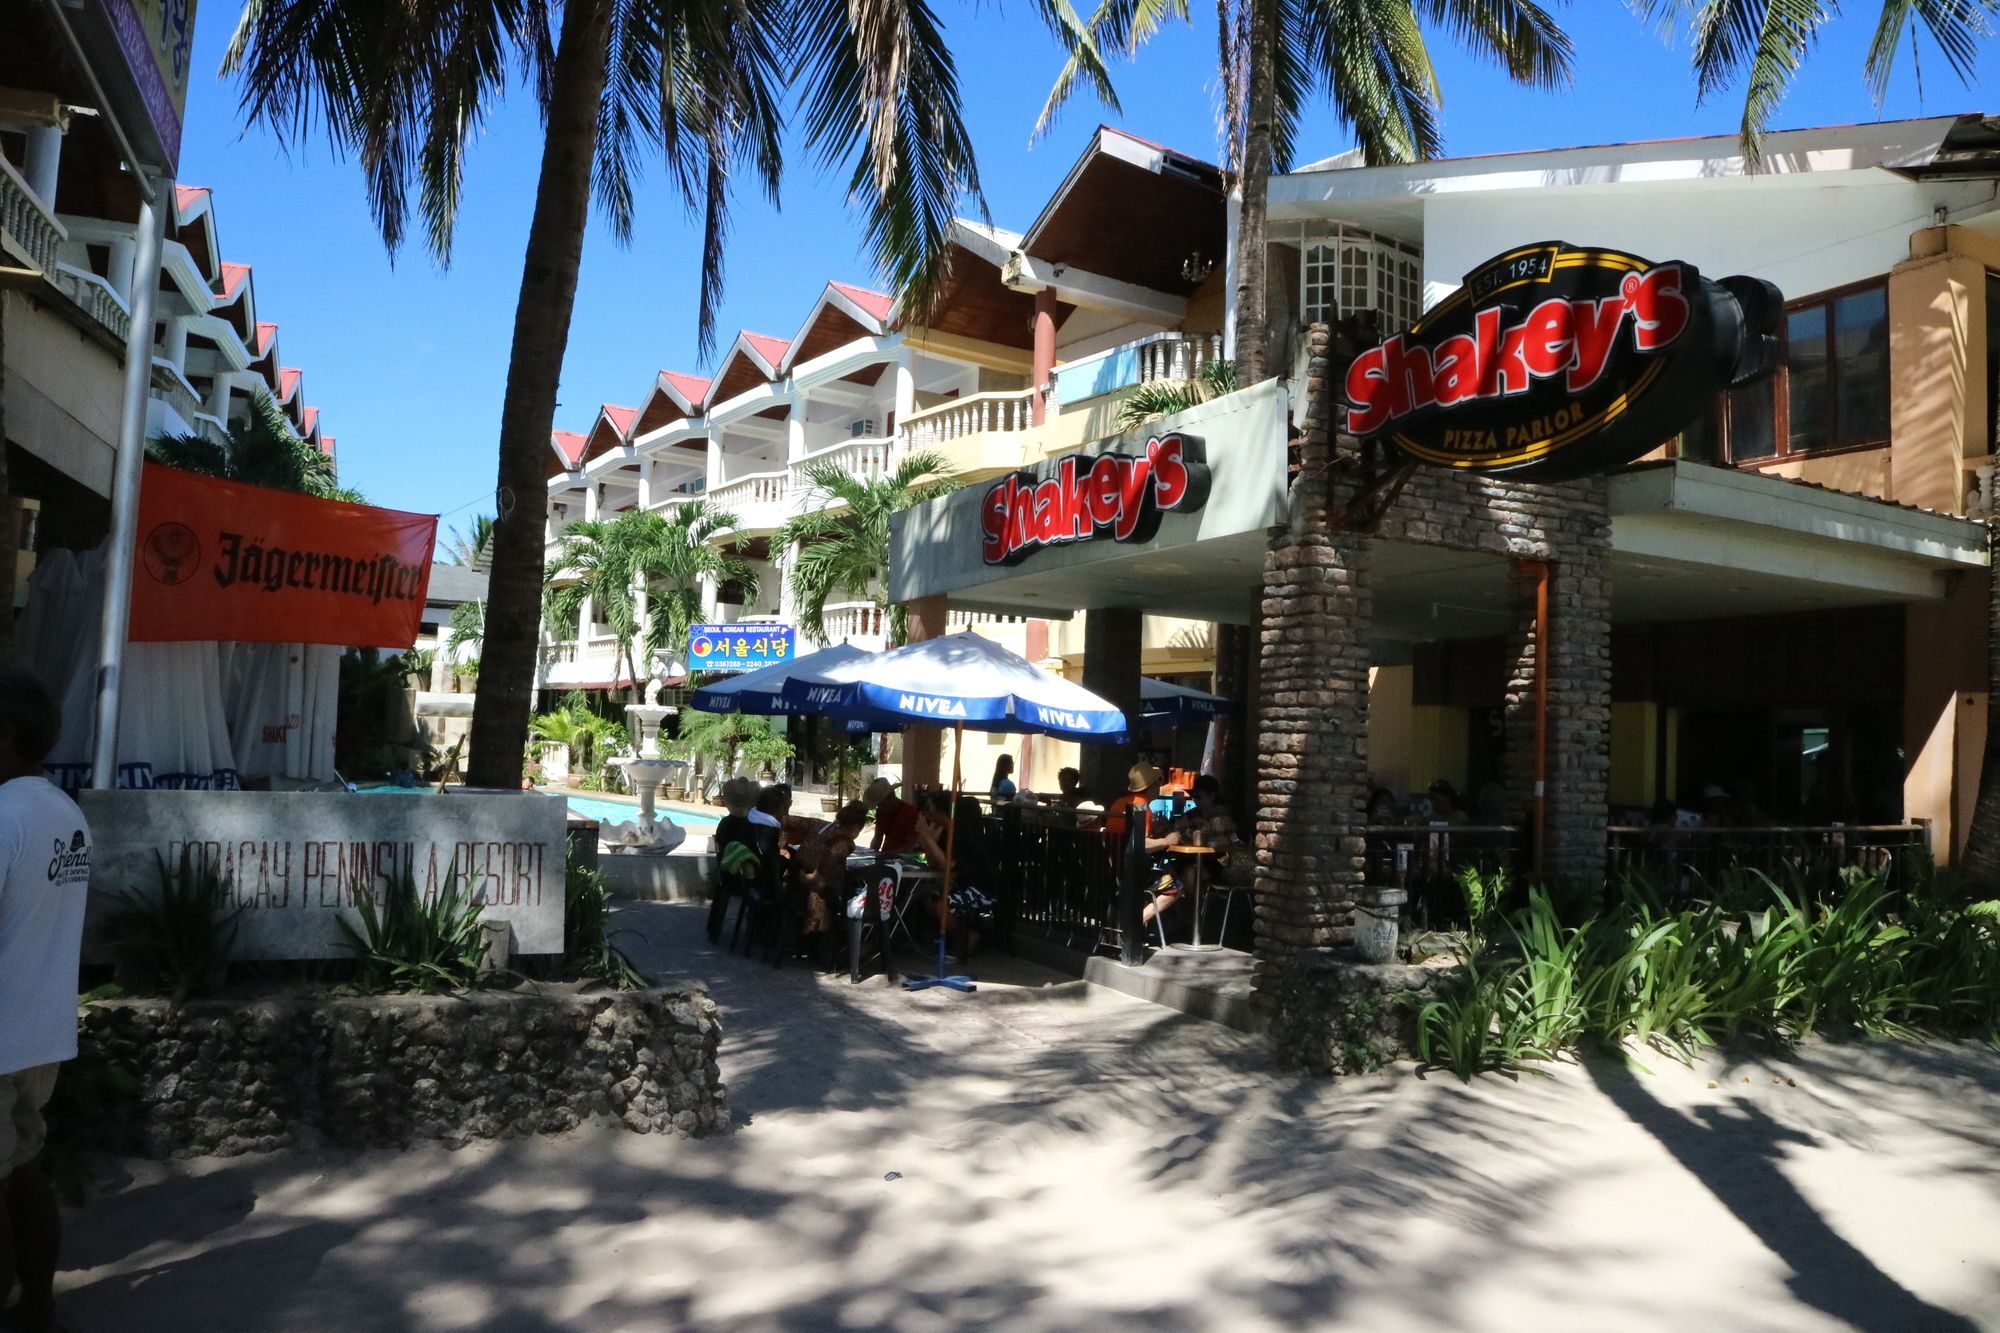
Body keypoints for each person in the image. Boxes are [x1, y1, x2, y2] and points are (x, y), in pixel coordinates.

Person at [0, 668, 91, 1333]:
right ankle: (38, 1306)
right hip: (43, 1035)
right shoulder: (66, 813)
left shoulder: (4, 816)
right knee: (25, 1171)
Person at [1105, 763, 1182, 931]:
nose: (1160, 787)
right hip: (1134, 874)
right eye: (1159, 782)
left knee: (1167, 870)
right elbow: (1141, 844)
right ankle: (1136, 922)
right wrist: (1167, 840)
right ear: (1153, 785)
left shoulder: (1119, 803)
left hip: (1115, 870)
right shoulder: (1142, 807)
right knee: (1176, 886)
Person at [793, 802, 869, 949]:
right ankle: (840, 943)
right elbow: (822, 872)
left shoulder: (822, 826)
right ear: (856, 828)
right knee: (849, 892)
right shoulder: (844, 843)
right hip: (811, 888)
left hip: (794, 881)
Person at [863, 776, 923, 855]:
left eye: (881, 804)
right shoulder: (881, 812)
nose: (880, 807)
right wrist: (871, 854)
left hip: (903, 859)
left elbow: (910, 846)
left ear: (891, 797)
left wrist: (888, 855)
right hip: (886, 855)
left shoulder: (910, 813)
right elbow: (878, 837)